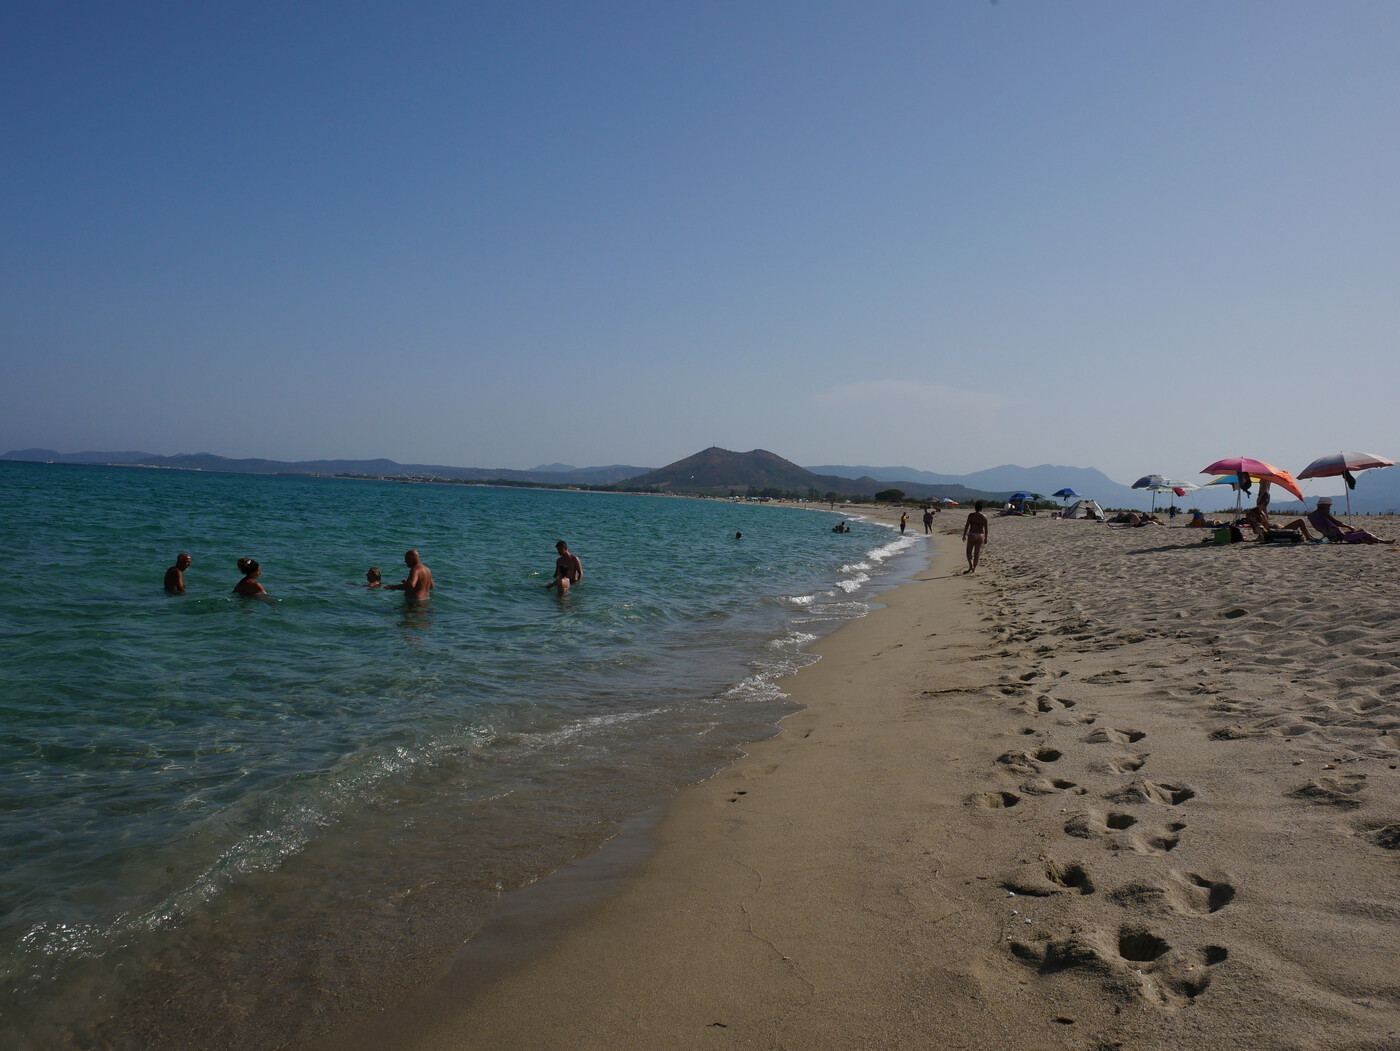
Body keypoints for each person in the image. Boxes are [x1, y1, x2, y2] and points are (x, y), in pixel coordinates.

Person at [1307, 498, 1395, 544]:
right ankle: (1382, 541)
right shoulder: (1324, 514)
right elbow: (1336, 522)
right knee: (1364, 532)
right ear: (1323, 505)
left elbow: (1327, 527)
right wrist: (1348, 526)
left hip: (1333, 535)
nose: (1329, 507)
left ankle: (1373, 540)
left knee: (1361, 530)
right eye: (1328, 505)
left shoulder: (1314, 515)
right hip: (1339, 536)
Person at [962, 501, 989, 573]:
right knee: (977, 553)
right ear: (981, 508)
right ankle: (974, 568)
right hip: (980, 535)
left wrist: (964, 535)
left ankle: (971, 565)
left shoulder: (971, 515)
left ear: (975, 507)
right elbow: (986, 529)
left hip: (972, 534)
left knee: (968, 552)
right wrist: (986, 537)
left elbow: (967, 525)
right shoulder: (984, 517)